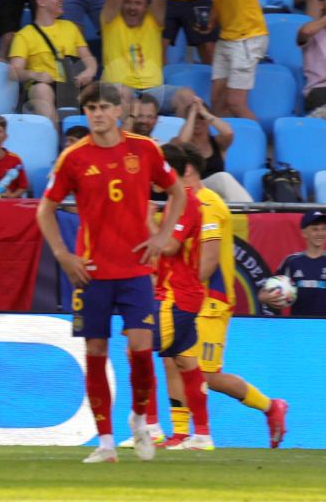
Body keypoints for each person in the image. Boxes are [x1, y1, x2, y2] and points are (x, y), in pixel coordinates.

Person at [36, 82, 187, 463]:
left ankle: (138, 417)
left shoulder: (145, 149)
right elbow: (45, 210)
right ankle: (105, 443)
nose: (97, 114)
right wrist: (63, 255)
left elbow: (179, 192)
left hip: (136, 270)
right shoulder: (73, 158)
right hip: (92, 272)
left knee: (140, 350)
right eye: (90, 108)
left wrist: (163, 236)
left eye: (104, 106)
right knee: (95, 351)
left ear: (119, 110)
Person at [150, 142, 288, 449]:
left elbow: (208, 260)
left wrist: (186, 292)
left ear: (185, 170)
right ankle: (181, 433)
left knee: (205, 374)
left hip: (210, 298)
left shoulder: (208, 203)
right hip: (182, 294)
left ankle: (269, 406)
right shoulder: (177, 203)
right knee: (175, 361)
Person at [150, 141, 212, 450]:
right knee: (184, 361)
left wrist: (148, 219)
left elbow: (170, 247)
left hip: (179, 294)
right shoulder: (177, 203)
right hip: (172, 292)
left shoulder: (187, 202)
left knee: (145, 352)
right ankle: (195, 433)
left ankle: (160, 429)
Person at [100, 0, 193, 117]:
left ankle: (177, 141)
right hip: (121, 88)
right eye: (127, 2)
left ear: (146, 6)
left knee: (186, 97)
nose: (132, 7)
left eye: (138, 3)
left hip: (153, 91)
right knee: (123, 95)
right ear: (121, 4)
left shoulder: (153, 21)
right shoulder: (111, 21)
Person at [8, 0, 98, 124]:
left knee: (101, 91)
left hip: (72, 84)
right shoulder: (24, 35)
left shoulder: (70, 27)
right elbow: (13, 71)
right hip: (45, 85)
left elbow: (87, 57)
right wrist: (35, 75)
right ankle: (55, 142)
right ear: (41, 2)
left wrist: (89, 71)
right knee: (42, 90)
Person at [203, 0, 268, 122]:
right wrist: (211, 21)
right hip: (227, 37)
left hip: (247, 37)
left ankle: (259, 145)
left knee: (235, 103)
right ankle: (228, 147)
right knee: (217, 101)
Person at [275, 212, 326, 316]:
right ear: (304, 233)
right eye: (315, 229)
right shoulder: (291, 261)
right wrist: (268, 297)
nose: (320, 233)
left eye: (324, 229)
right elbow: (267, 293)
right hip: (298, 328)